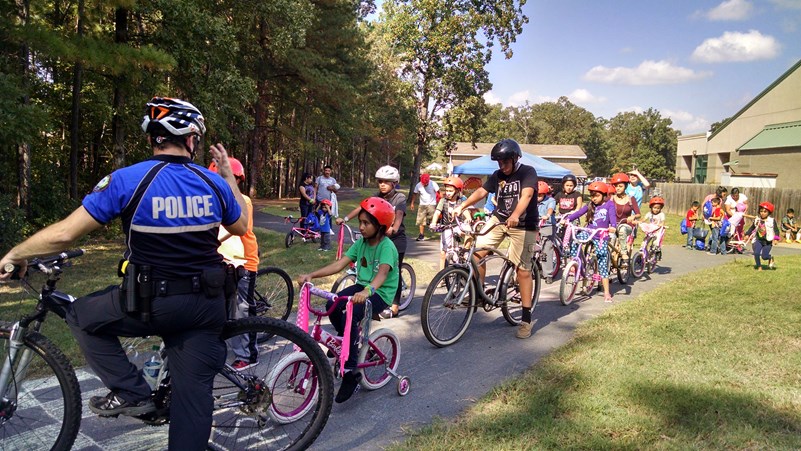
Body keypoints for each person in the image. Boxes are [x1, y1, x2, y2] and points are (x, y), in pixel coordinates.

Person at [0, 97, 249, 450]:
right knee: (193, 409)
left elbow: (65, 234)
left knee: (80, 315)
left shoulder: (128, 179)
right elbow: (241, 225)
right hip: (207, 305)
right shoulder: (213, 184)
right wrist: (227, 176)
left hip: (153, 303)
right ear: (191, 138)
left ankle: (132, 391)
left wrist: (16, 252)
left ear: (153, 137)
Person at [297, 197, 399, 403]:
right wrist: (312, 275)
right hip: (363, 286)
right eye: (360, 222)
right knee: (331, 303)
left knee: (354, 316)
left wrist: (368, 291)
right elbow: (339, 264)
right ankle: (345, 343)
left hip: (380, 292)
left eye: (366, 223)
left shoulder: (386, 246)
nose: (360, 227)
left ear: (380, 226)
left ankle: (351, 370)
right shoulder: (361, 243)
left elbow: (382, 274)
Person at [452, 138, 539, 339]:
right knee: (476, 252)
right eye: (499, 162)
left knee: (523, 270)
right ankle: (479, 294)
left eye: (505, 161)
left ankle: (526, 319)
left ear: (515, 158)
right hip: (499, 219)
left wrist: (516, 215)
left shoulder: (527, 172)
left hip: (524, 224)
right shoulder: (497, 175)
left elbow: (526, 196)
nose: (502, 165)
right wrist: (462, 206)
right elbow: (482, 191)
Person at [210, 157, 260, 371]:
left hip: (243, 262)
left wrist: (208, 240)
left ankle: (248, 356)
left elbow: (235, 229)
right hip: (219, 261)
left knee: (241, 310)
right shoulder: (211, 199)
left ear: (237, 179)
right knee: (219, 307)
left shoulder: (242, 200)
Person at [337, 165, 407, 319]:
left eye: (386, 182)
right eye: (380, 181)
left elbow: (399, 213)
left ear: (394, 183)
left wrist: (393, 228)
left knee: (392, 271)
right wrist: (346, 218)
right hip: (376, 235)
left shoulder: (399, 197)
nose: (382, 184)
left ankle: (394, 304)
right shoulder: (376, 196)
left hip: (395, 238)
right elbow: (361, 208)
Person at [562, 181, 617, 303]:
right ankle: (576, 262)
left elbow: (613, 218)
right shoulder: (590, 205)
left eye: (596, 195)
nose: (594, 198)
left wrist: (613, 226)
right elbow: (578, 213)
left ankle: (607, 292)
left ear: (604, 195)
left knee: (602, 259)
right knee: (575, 241)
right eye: (592, 195)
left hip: (601, 235)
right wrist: (567, 219)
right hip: (589, 231)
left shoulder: (609, 205)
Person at [429, 176, 471, 270]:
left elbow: (465, 211)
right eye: (447, 190)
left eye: (450, 191)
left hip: (458, 225)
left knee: (469, 232)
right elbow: (437, 213)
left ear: (457, 191)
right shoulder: (443, 201)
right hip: (446, 227)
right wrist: (433, 223)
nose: (448, 193)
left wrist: (468, 218)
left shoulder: (461, 201)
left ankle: (466, 250)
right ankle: (441, 275)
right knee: (443, 253)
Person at [609, 172, 641, 259]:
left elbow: (638, 214)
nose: (618, 188)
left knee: (622, 230)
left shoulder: (631, 199)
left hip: (626, 225)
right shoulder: (611, 198)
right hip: (613, 225)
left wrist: (633, 217)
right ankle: (608, 256)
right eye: (616, 186)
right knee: (610, 238)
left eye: (620, 186)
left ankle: (624, 253)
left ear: (625, 186)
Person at [745, 202, 780, 270]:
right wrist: (747, 234)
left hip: (768, 241)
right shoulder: (757, 220)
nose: (762, 213)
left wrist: (776, 239)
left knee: (764, 256)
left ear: (769, 213)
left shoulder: (771, 221)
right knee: (756, 253)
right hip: (758, 240)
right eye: (761, 211)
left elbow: (776, 230)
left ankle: (770, 258)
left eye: (765, 212)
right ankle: (759, 266)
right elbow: (752, 227)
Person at [410, 173, 439, 241]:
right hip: (422, 204)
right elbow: (415, 194)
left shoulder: (433, 184)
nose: (425, 185)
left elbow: (438, 192)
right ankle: (421, 235)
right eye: (423, 183)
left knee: (432, 220)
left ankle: (435, 230)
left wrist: (438, 200)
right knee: (421, 220)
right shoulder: (418, 185)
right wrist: (412, 203)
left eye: (426, 183)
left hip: (432, 204)